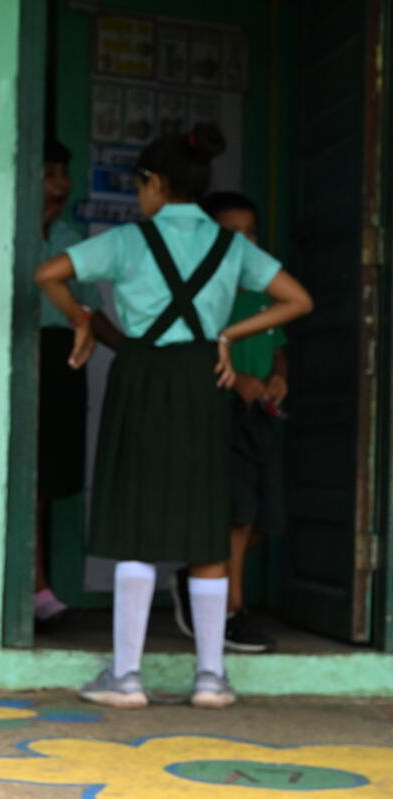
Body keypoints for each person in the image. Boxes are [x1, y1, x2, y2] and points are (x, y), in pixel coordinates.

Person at [35, 125, 312, 710]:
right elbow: (297, 298)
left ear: (154, 183)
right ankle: (212, 676)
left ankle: (127, 676)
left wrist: (83, 321)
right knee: (206, 515)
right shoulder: (231, 247)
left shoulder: (130, 241)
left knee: (137, 514)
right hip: (204, 378)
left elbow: (48, 274)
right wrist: (229, 332)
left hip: (141, 376)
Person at [169, 191, 299, 653]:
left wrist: (278, 376)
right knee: (236, 516)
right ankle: (230, 611)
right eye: (232, 234)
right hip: (220, 412)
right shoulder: (209, 293)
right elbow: (190, 352)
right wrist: (238, 378)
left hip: (261, 415)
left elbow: (278, 347)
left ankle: (197, 578)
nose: (244, 242)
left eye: (251, 233)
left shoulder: (268, 291)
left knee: (265, 516)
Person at [34, 138, 100, 629]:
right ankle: (36, 586)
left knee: (54, 475)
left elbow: (90, 314)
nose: (59, 185)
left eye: (63, 174)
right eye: (48, 173)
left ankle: (43, 586)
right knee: (29, 478)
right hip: (23, 355)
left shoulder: (74, 238)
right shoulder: (9, 231)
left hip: (62, 357)